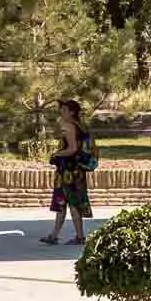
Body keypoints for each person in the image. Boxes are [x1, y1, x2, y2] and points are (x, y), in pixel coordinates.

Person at [42, 98, 97, 246]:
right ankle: (54, 235)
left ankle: (79, 236)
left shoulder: (68, 126)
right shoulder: (80, 125)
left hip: (68, 171)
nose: (61, 112)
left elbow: (72, 148)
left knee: (71, 202)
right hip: (77, 170)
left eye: (64, 110)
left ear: (71, 112)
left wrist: (56, 154)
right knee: (63, 202)